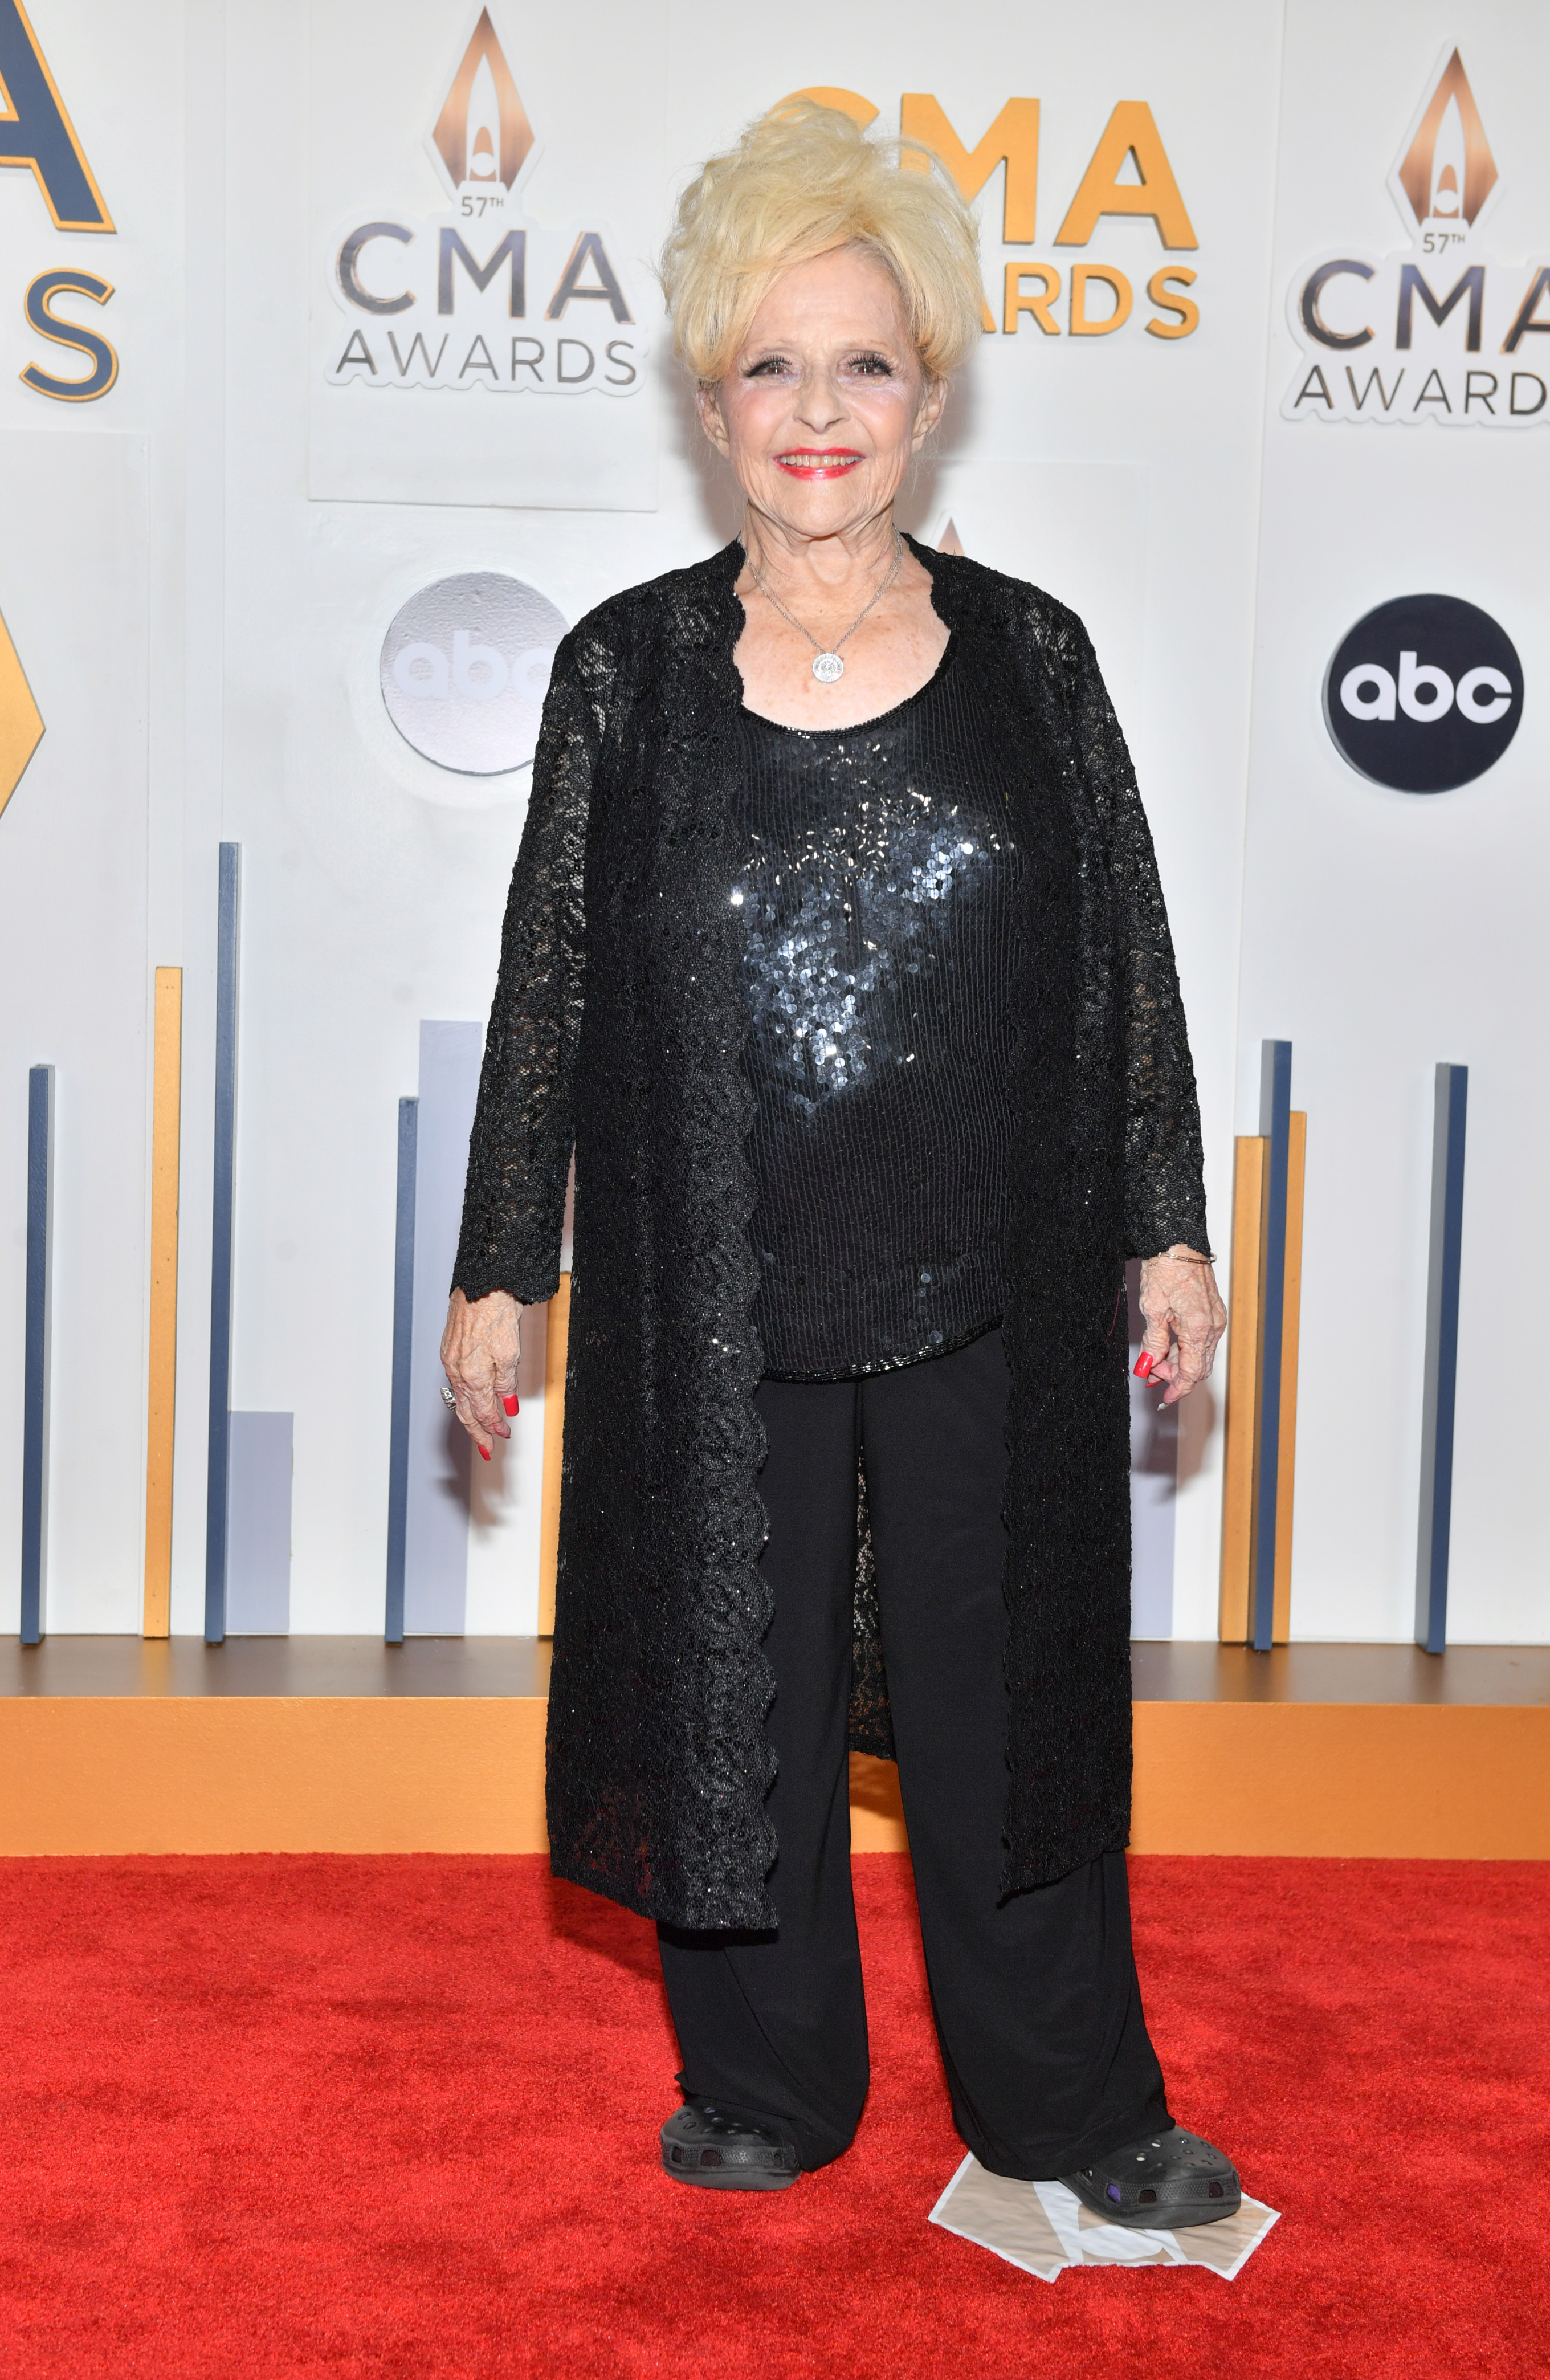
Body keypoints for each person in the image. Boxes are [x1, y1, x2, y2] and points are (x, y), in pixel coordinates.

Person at [441, 104, 1238, 2226]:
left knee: (1011, 1706)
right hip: (721, 1288)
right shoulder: (622, 671)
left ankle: (1067, 2104)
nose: (820, 412)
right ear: (712, 404)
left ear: (933, 395)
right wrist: (504, 1261)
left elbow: (1126, 959)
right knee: (734, 1696)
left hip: (998, 1268)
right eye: (773, 367)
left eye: (864, 364)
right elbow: (550, 988)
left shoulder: (1037, 661)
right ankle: (771, 2080)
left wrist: (1168, 1222)